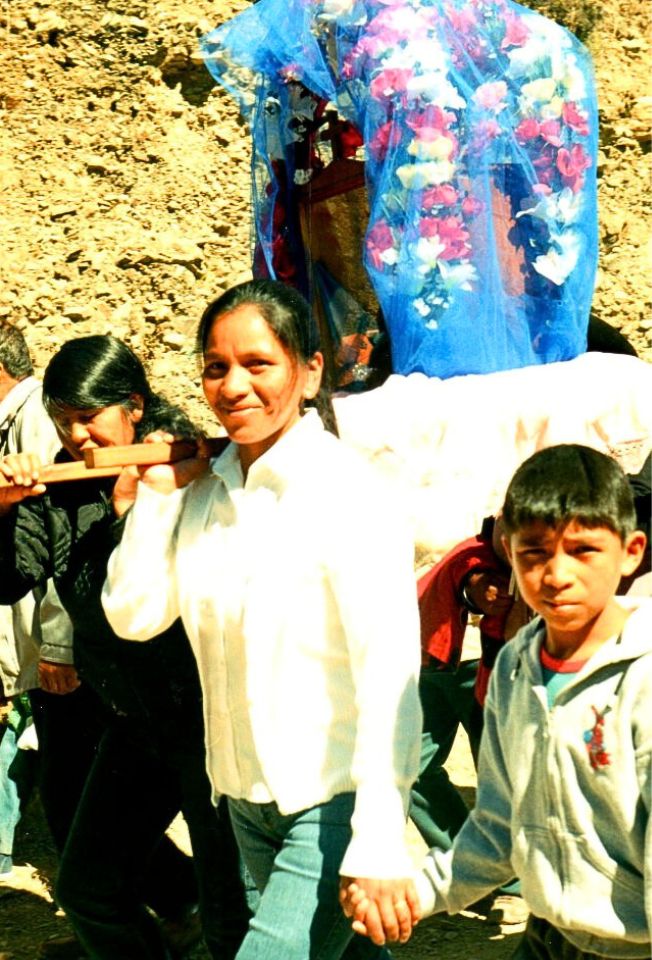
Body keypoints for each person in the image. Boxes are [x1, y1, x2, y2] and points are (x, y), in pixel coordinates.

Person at [101, 278, 423, 959]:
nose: (233, 386)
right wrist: (156, 501)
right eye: (216, 368)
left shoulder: (349, 493)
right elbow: (134, 616)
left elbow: (389, 674)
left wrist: (378, 840)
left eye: (258, 364)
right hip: (243, 802)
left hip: (332, 800)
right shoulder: (205, 491)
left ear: (310, 372)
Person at [342, 443, 650, 959]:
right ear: (508, 551)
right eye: (535, 552)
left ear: (631, 551)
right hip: (549, 936)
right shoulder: (514, 668)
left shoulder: (641, 679)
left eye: (583, 551)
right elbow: (499, 826)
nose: (557, 575)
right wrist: (416, 894)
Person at [0, 335, 249, 960]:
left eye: (89, 418)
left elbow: (145, 601)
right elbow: (9, 578)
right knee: (89, 890)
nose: (77, 435)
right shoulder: (61, 479)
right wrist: (3, 508)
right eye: (63, 420)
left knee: (228, 912)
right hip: (133, 720)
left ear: (134, 406)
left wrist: (136, 514)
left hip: (207, 723)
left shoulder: (192, 472)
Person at [0, 320, 77, 889]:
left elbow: (62, 537)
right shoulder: (16, 422)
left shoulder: (36, 422)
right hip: (36, 640)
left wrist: (57, 643)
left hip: (54, 645)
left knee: (68, 781)